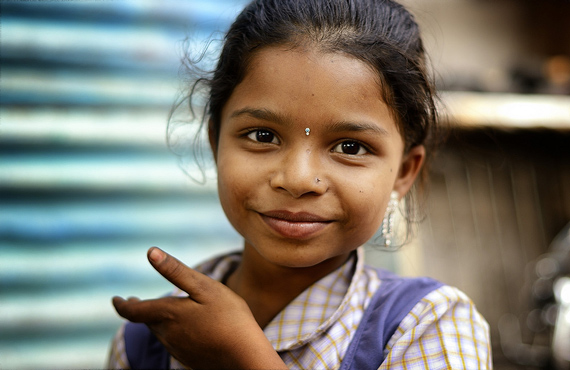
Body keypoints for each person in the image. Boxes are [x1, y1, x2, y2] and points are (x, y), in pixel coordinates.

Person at [108, 0, 492, 368]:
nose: (298, 179)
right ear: (216, 142)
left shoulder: (428, 326)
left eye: (349, 146)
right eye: (262, 136)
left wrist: (243, 360)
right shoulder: (148, 341)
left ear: (404, 171)